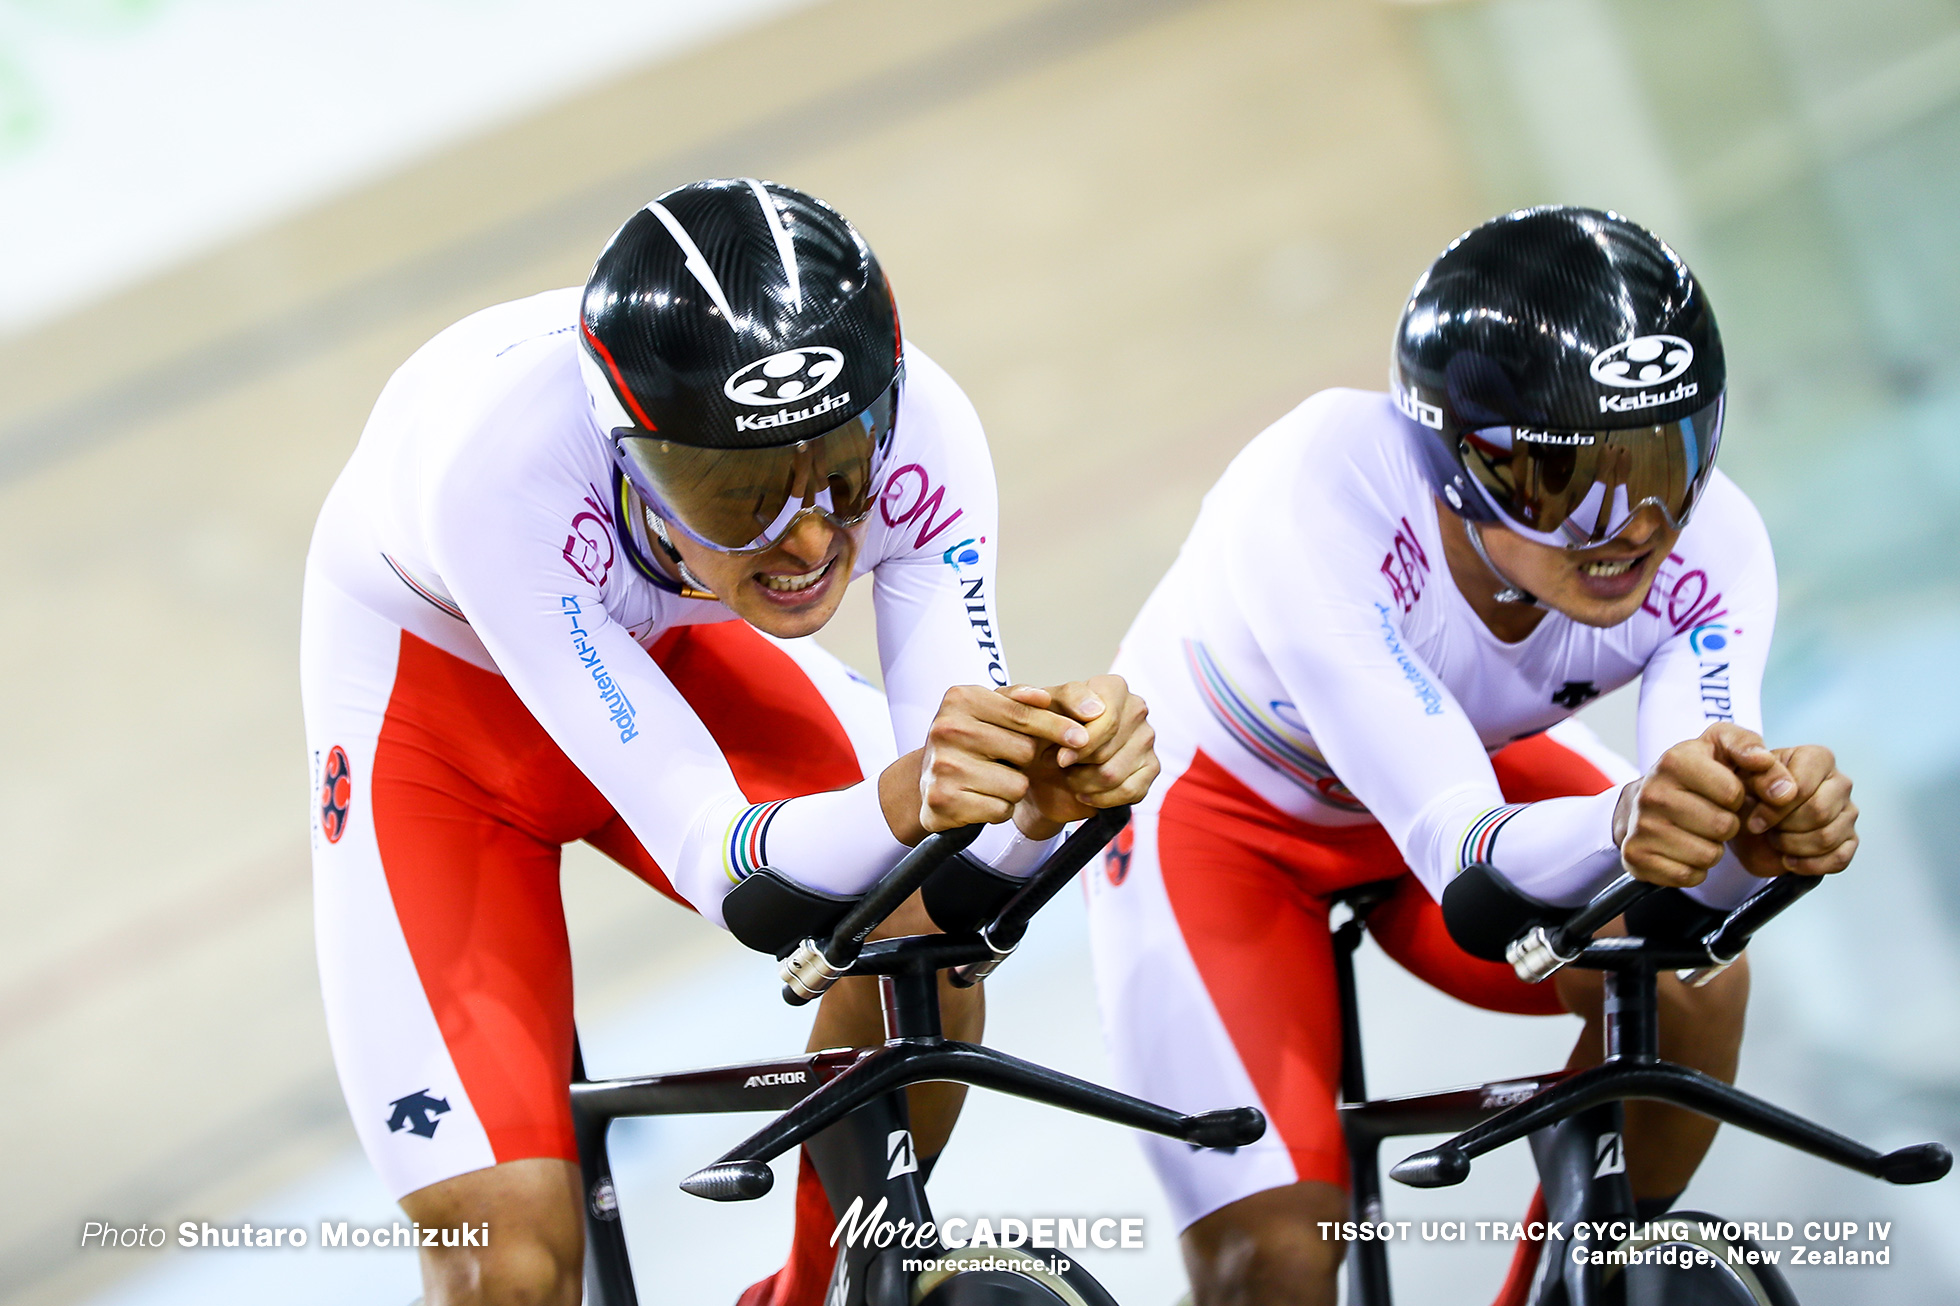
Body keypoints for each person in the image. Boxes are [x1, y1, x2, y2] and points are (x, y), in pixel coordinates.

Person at [300, 178, 1157, 1306]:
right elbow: (730, 867)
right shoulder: (502, 474)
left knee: (927, 959)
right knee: (508, 1259)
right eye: (740, 490)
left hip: (659, 652)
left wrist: (1040, 805)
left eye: (841, 473)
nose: (806, 535)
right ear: (632, 460)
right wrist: (913, 801)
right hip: (437, 709)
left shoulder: (929, 428)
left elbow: (955, 879)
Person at [1084, 206, 1859, 1306]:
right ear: (1456, 458)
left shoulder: (1716, 543)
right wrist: (1636, 827)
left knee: (1693, 979)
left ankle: (1575, 1276)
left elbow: (1689, 878)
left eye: (1664, 461)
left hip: (1468, 782)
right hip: (1224, 823)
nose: (1630, 528)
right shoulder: (1319, 486)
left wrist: (1764, 836)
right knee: (1276, 1265)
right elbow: (1465, 852)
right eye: (1564, 480)